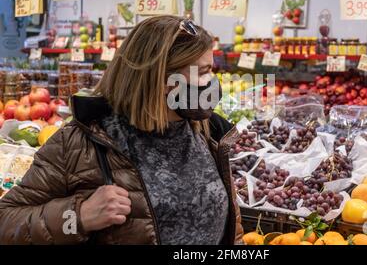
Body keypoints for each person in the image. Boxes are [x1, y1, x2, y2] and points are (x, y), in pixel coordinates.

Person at [0, 15, 243, 245]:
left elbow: (232, 229)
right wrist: (80, 215)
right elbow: (6, 223)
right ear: (161, 79)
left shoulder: (209, 133)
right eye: (203, 72)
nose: (213, 82)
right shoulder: (80, 144)